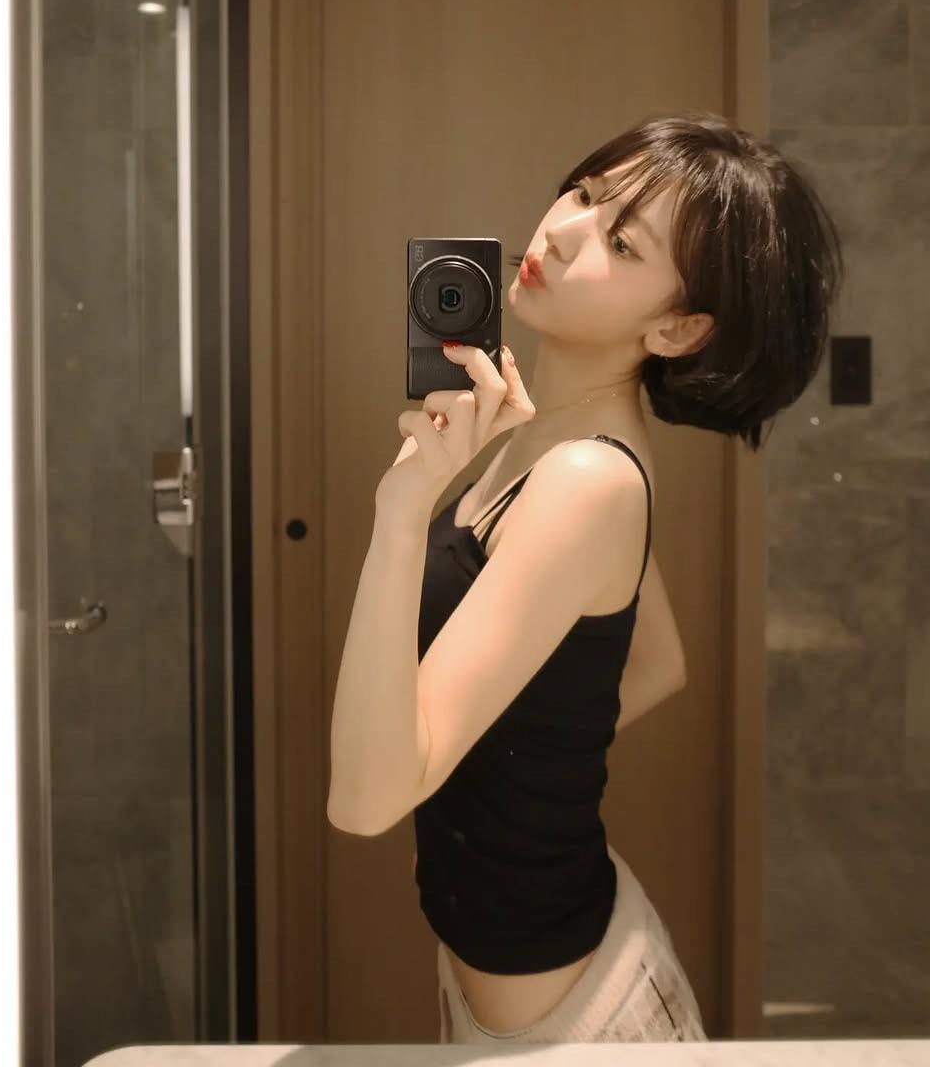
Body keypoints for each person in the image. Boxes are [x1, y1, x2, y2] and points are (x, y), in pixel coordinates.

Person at [329, 111, 844, 1044]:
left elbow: (364, 805)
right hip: (538, 971)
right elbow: (656, 661)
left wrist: (401, 516)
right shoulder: (548, 435)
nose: (563, 229)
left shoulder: (585, 479)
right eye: (584, 192)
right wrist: (485, 767)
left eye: (621, 241)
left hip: (574, 1025)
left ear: (678, 327)